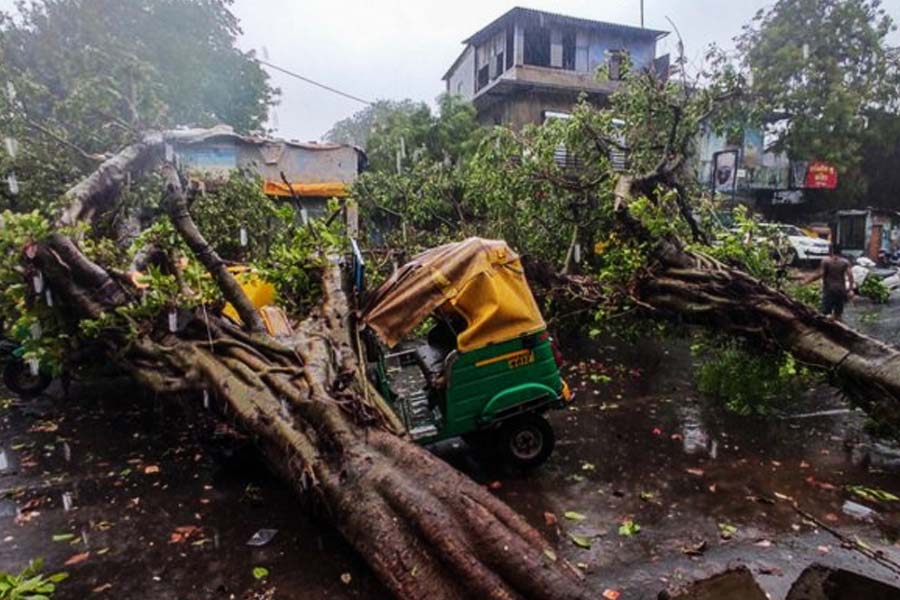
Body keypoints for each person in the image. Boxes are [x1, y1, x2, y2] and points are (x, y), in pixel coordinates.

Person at [805, 244, 854, 320]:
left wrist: (809, 280)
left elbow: (821, 274)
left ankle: (826, 328)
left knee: (825, 312)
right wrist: (851, 290)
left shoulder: (826, 261)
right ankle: (839, 328)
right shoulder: (845, 262)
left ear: (830, 251)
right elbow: (850, 276)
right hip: (841, 290)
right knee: (838, 313)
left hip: (829, 289)